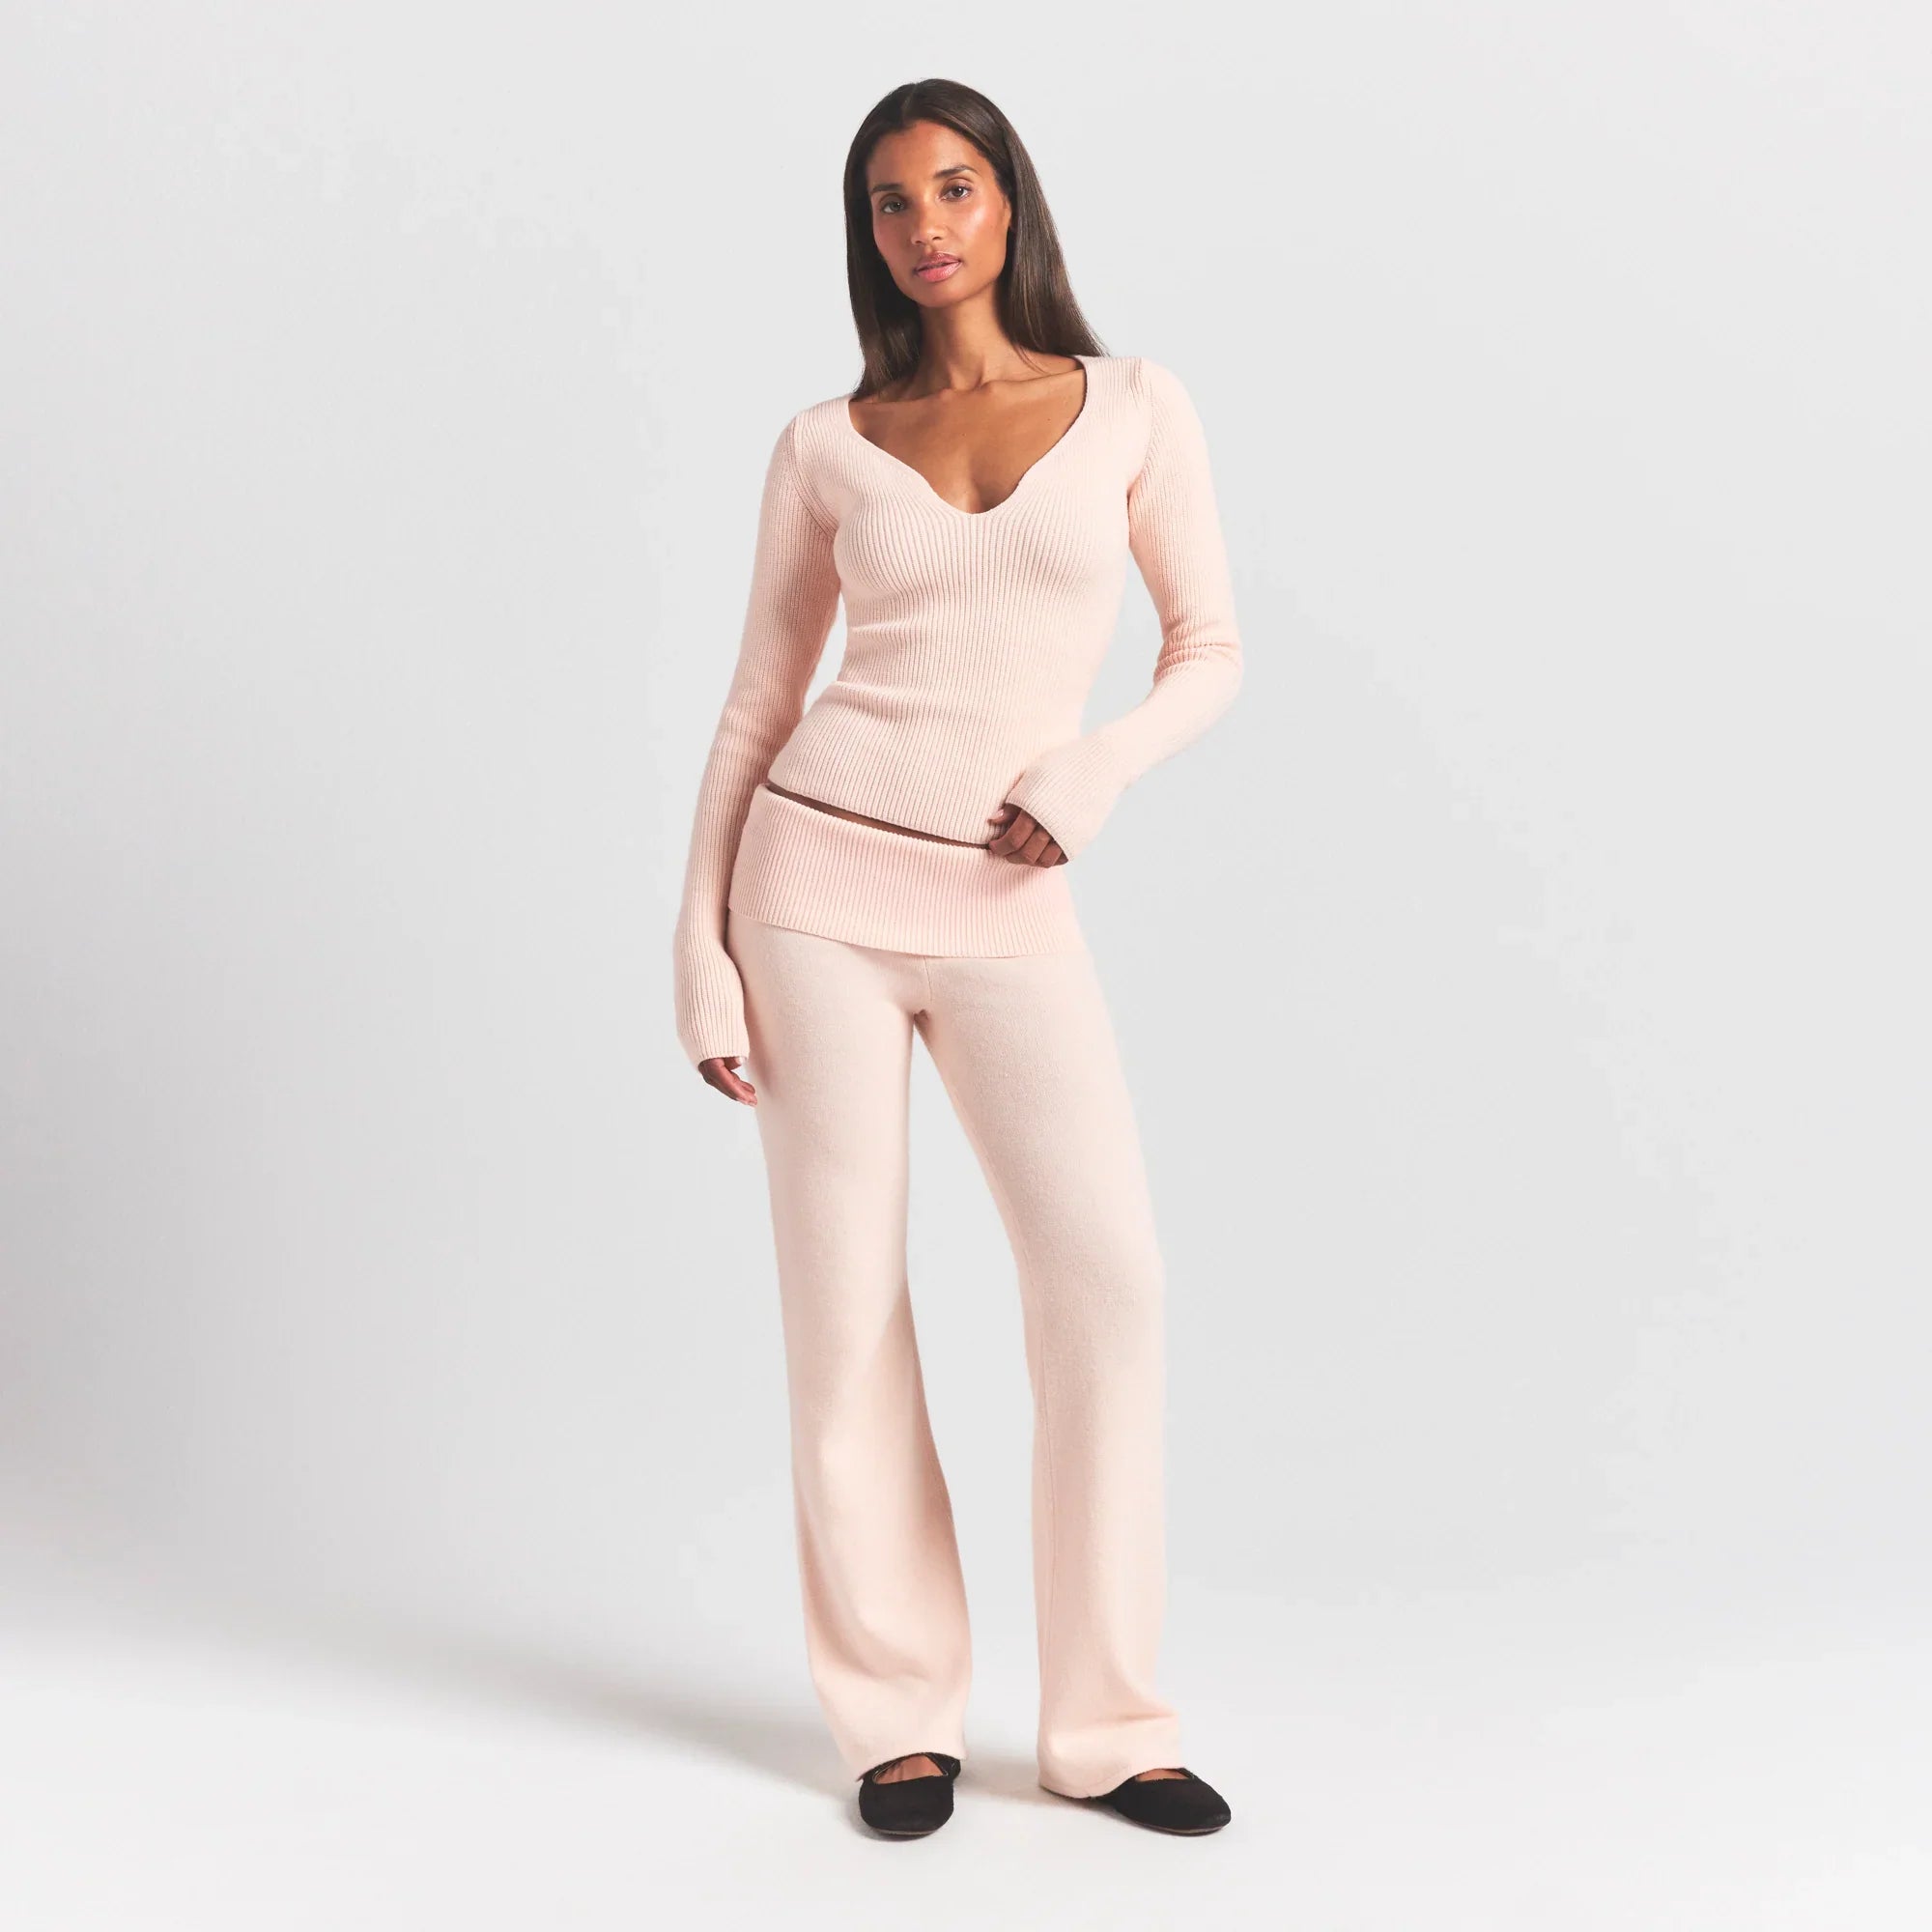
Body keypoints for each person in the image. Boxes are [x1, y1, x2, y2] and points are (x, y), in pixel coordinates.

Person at [670, 77, 1241, 1840]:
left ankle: (1105, 1727)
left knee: (1107, 1283)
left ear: (1011, 203)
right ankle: (897, 1718)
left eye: (956, 188)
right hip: (810, 895)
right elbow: (758, 705)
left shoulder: (1132, 406)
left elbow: (1210, 647)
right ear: (868, 234)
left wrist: (1094, 770)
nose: (925, 225)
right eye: (891, 202)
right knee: (844, 1307)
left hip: (1006, 907)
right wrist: (698, 944)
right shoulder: (823, 445)